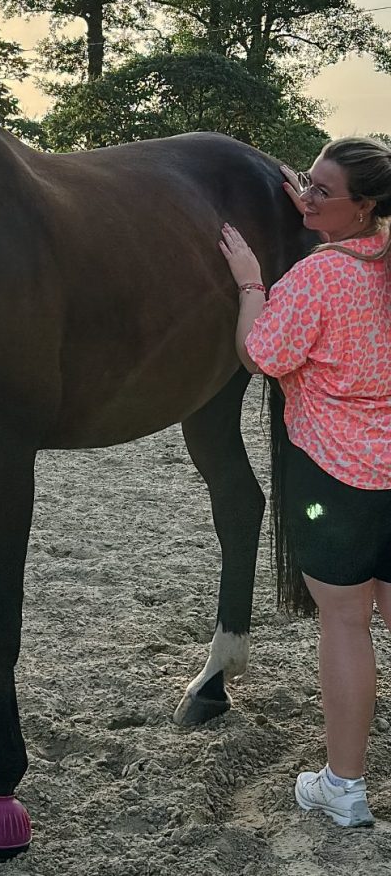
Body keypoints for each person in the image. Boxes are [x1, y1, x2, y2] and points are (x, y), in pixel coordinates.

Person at [219, 137, 391, 828]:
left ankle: (343, 788)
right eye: (306, 185)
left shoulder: (319, 279)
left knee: (346, 626)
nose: (308, 197)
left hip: (339, 477)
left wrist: (251, 283)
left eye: (324, 191)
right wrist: (322, 209)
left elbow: (261, 354)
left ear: (365, 204)